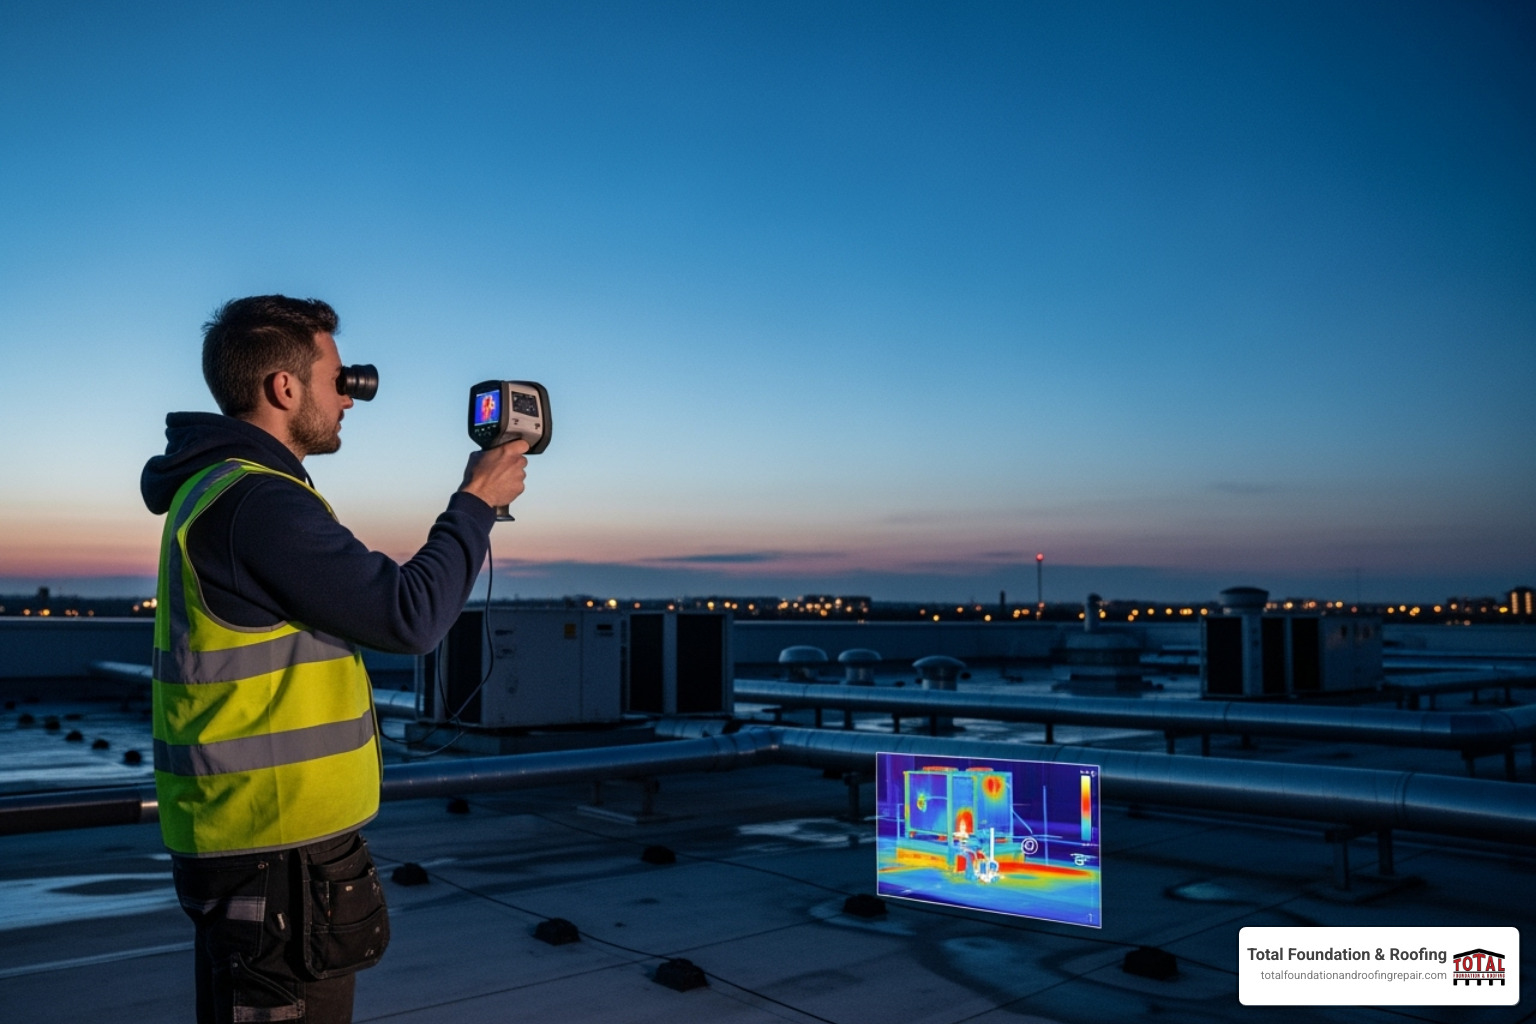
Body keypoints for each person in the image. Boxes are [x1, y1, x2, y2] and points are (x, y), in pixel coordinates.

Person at [140, 295, 528, 1024]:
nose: (351, 397)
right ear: (285, 389)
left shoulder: (217, 490)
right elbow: (407, 614)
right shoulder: (256, 503)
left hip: (254, 839)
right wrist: (475, 504)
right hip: (275, 852)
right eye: (339, 379)